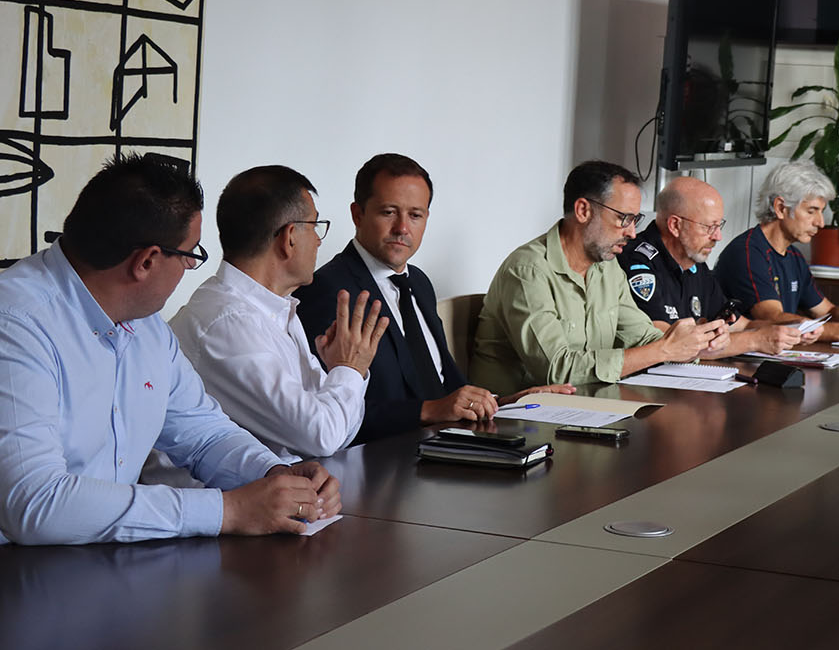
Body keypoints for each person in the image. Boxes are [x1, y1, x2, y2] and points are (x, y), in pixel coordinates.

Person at [0, 154, 340, 544]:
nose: (191, 268)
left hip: (105, 563)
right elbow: (33, 502)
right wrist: (227, 511)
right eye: (191, 254)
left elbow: (203, 432)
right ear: (147, 261)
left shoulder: (145, 326)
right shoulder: (16, 323)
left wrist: (274, 476)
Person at [295, 154, 568, 445]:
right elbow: (327, 412)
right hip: (382, 462)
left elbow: (448, 386)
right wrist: (430, 410)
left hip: (442, 448)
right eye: (389, 212)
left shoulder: (419, 283)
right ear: (357, 214)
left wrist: (505, 402)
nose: (402, 228)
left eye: (415, 215)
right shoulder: (328, 290)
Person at [170, 166, 388, 461]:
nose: (319, 241)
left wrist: (344, 369)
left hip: (286, 494)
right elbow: (321, 436)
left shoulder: (277, 309)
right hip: (225, 502)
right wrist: (348, 368)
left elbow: (339, 432)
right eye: (314, 226)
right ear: (289, 237)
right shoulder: (228, 323)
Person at [470, 160, 728, 393]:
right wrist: (664, 349)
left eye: (635, 220)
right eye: (623, 218)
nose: (632, 233)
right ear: (583, 210)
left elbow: (643, 336)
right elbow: (558, 371)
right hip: (514, 421)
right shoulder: (528, 270)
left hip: (584, 408)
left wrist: (695, 343)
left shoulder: (607, 268)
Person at [715, 161, 839, 345]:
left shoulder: (793, 256)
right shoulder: (748, 253)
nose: (820, 222)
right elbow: (771, 318)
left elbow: (828, 311)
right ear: (781, 208)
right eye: (812, 211)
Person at [617, 175, 813, 356]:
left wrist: (789, 327)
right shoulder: (637, 261)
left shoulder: (694, 261)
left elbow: (740, 325)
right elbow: (668, 342)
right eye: (709, 227)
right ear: (675, 225)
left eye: (719, 226)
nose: (717, 236)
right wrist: (756, 341)